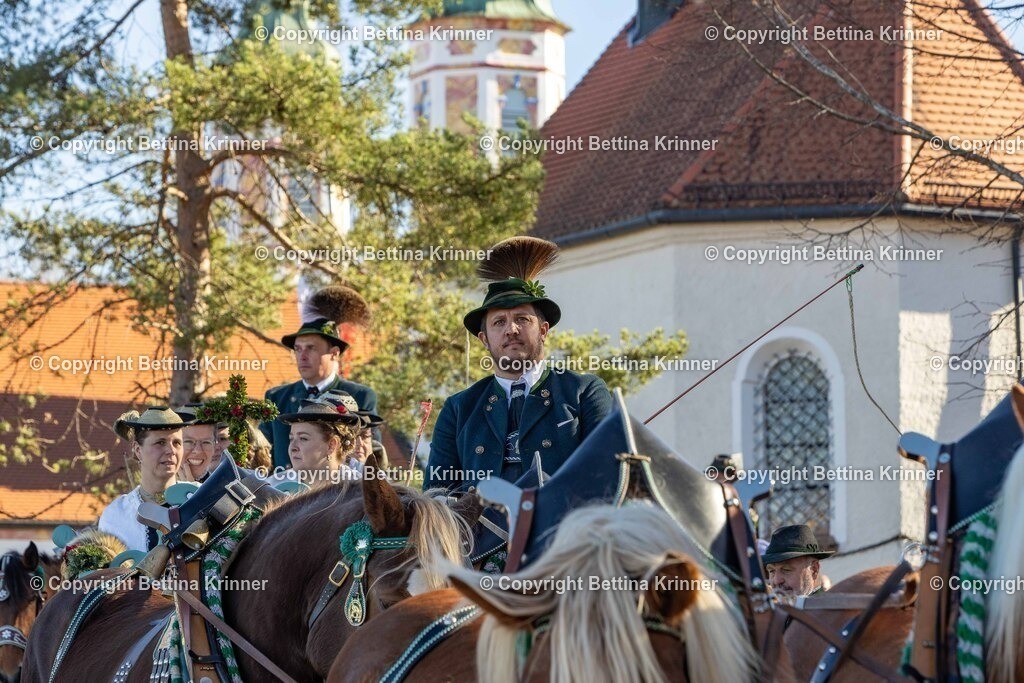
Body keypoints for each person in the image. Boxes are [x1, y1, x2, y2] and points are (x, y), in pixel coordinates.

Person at [426, 236, 613, 492]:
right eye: (499, 322)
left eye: (522, 319)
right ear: (484, 339)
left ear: (543, 330)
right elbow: (436, 494)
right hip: (479, 520)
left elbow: (607, 477)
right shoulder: (459, 409)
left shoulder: (584, 392)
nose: (511, 329)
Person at [262, 285, 377, 469]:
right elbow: (262, 453)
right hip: (285, 485)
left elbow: (371, 455)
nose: (302, 356)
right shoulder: (277, 398)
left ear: (334, 353)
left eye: (311, 348)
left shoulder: (359, 396)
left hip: (340, 484)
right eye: (298, 349)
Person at [98, 407, 185, 552]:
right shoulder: (117, 514)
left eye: (177, 443)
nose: (171, 451)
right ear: (138, 450)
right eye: (161, 442)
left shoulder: (198, 496)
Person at [276, 391, 362, 483]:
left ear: (331, 445)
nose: (292, 447)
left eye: (303, 438)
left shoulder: (359, 488)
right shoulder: (274, 486)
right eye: (291, 439)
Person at [762, 524, 834, 600]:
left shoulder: (829, 606)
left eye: (786, 570)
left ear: (814, 570)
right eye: (771, 571)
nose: (776, 581)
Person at [174, 403, 218, 482]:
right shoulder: (155, 486)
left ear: (214, 447)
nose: (198, 450)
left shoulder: (224, 487)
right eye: (188, 442)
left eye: (206, 442)